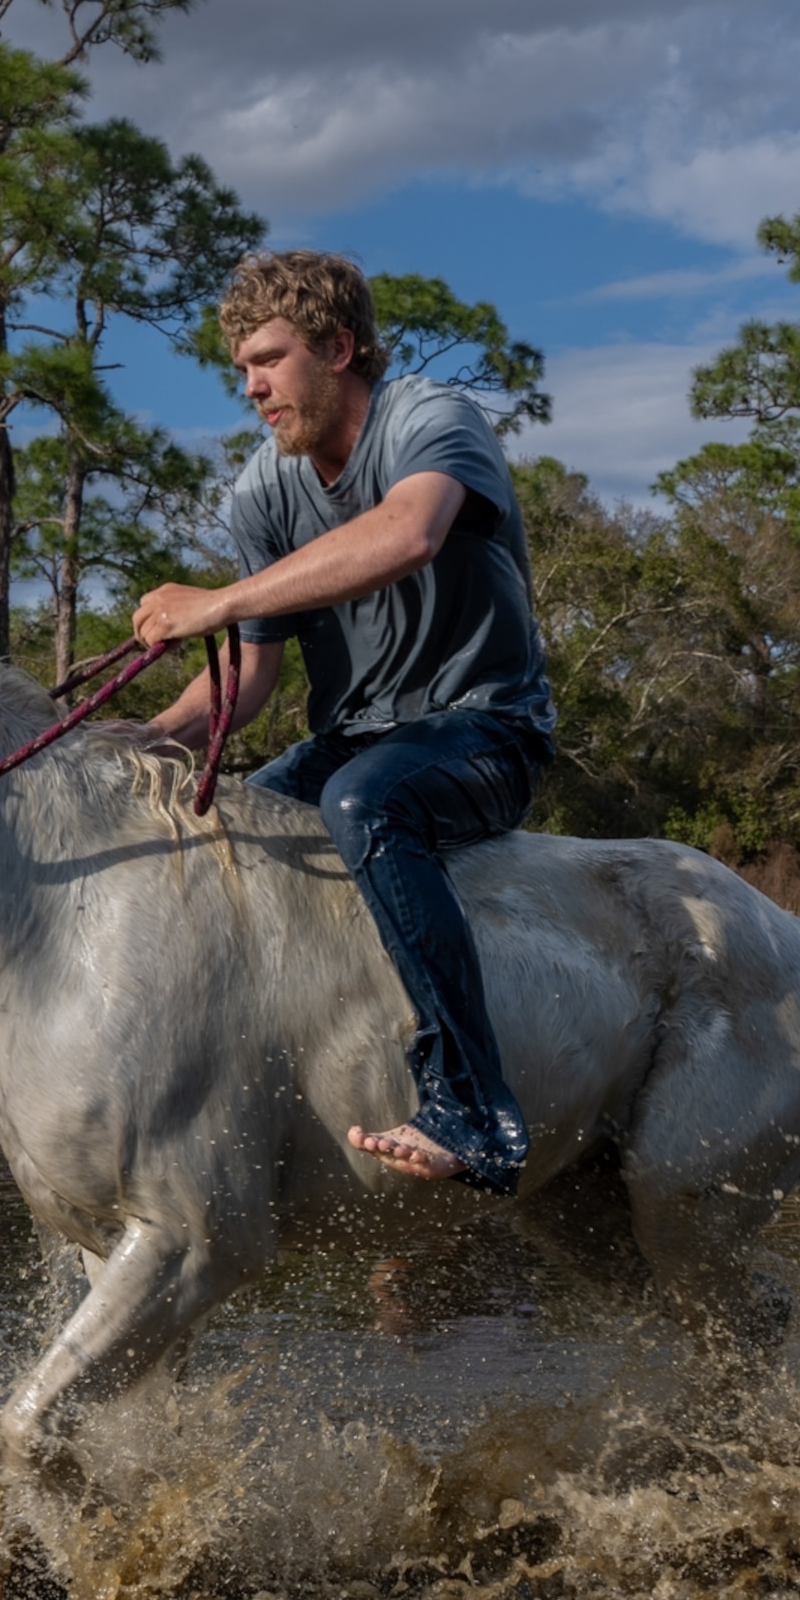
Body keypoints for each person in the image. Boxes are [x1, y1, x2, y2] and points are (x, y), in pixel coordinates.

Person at [131, 252, 553, 1194]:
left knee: (366, 800)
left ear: (338, 347)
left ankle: (474, 1109)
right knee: (220, 832)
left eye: (270, 360)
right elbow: (250, 674)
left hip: (484, 729)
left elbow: (409, 534)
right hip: (352, 738)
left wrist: (217, 601)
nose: (253, 388)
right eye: (242, 369)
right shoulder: (260, 495)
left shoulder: (432, 420)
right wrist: (143, 742)